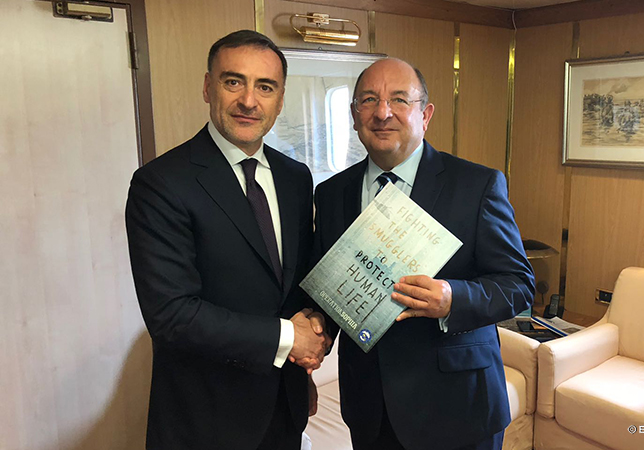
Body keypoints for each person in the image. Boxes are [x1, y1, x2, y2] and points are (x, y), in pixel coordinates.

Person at [312, 58, 535, 450]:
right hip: (370, 406)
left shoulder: (477, 185)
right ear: (354, 114)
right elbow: (332, 287)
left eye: (400, 99)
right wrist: (312, 330)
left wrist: (452, 299)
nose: (383, 113)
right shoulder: (331, 194)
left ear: (425, 114)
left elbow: (518, 285)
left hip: (459, 406)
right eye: (369, 100)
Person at [125, 30, 329, 450]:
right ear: (207, 87)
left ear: (280, 99)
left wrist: (313, 335)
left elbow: (294, 286)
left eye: (265, 87)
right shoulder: (161, 183)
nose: (249, 101)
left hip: (284, 406)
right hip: (205, 420)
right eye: (233, 81)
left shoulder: (295, 177)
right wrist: (288, 339)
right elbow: (172, 315)